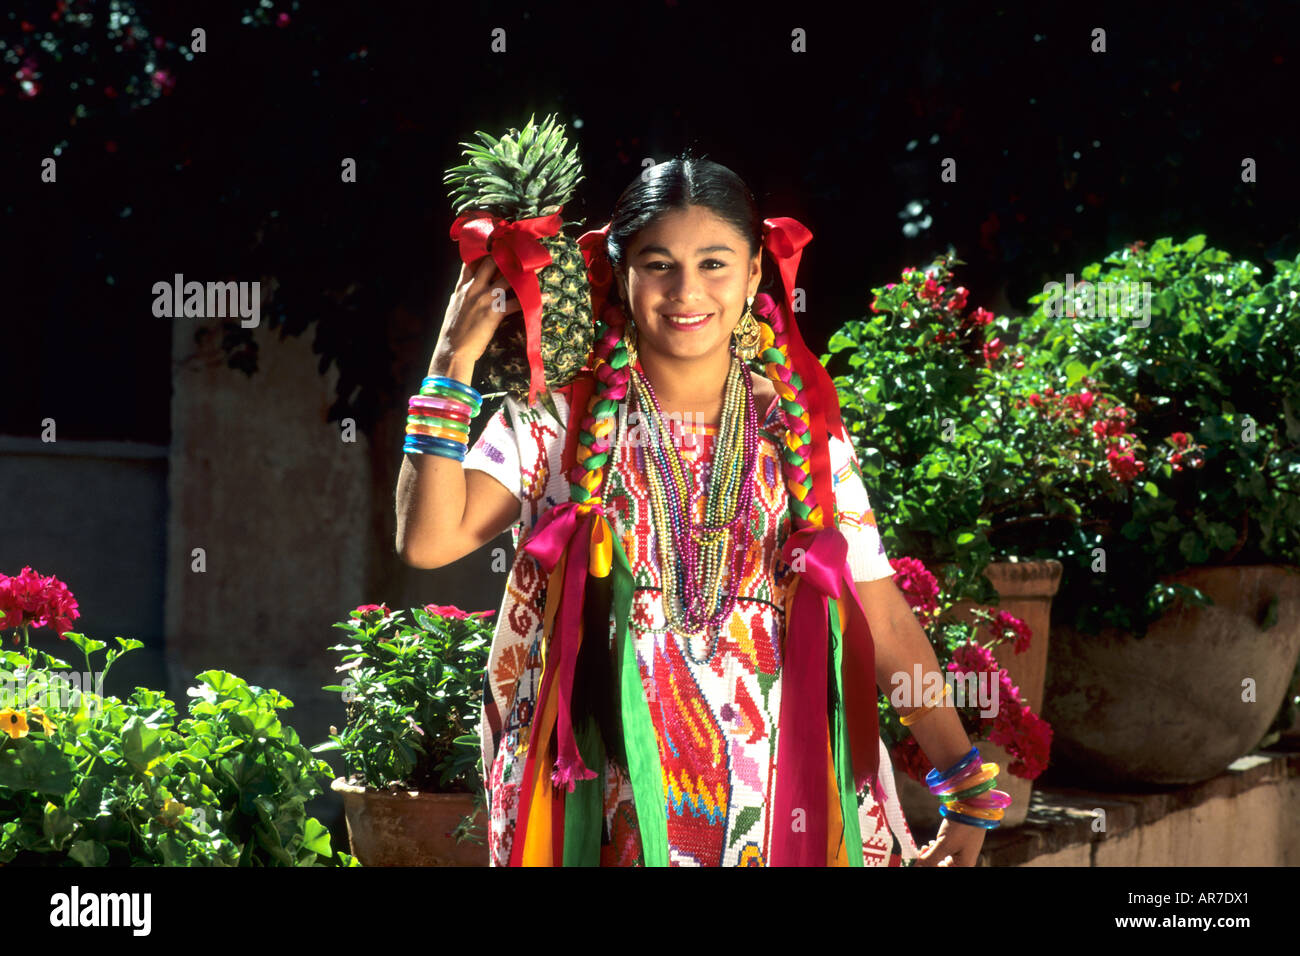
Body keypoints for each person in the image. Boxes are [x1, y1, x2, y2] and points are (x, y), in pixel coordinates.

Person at [395, 152, 1008, 866]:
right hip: (606, 806)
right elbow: (429, 541)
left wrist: (966, 787)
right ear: (621, 273)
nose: (687, 290)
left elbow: (884, 616)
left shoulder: (800, 433)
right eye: (659, 264)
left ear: (753, 275)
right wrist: (451, 361)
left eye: (715, 263)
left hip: (780, 802)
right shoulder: (557, 422)